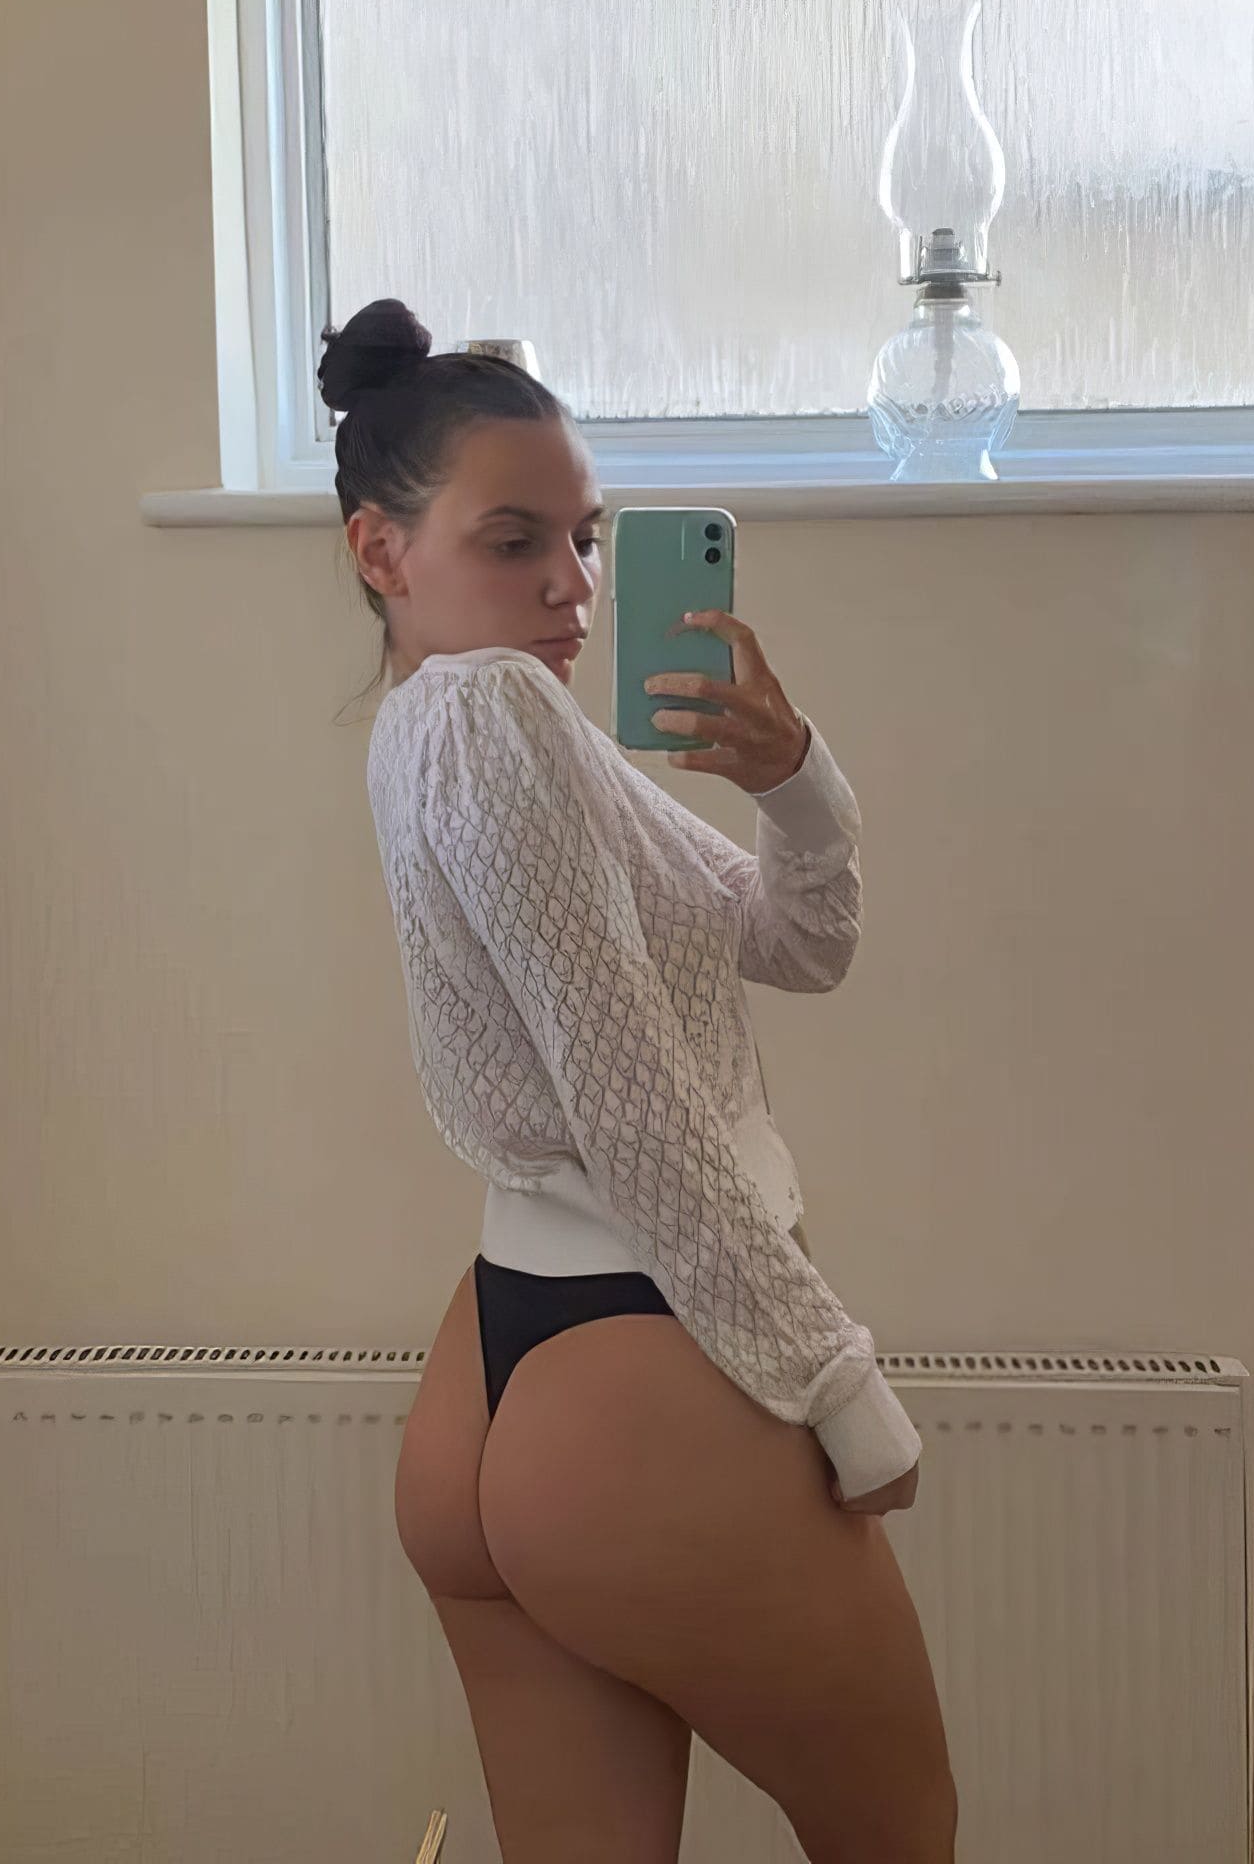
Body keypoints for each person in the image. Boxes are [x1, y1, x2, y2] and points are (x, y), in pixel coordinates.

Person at [322, 297, 957, 1864]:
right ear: (379, 550)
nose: (571, 583)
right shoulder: (495, 717)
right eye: (513, 541)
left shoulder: (450, 718)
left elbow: (792, 945)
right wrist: (836, 1385)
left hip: (500, 1374)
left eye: (587, 539)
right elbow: (634, 1104)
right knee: (899, 1835)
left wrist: (791, 781)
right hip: (641, 1371)